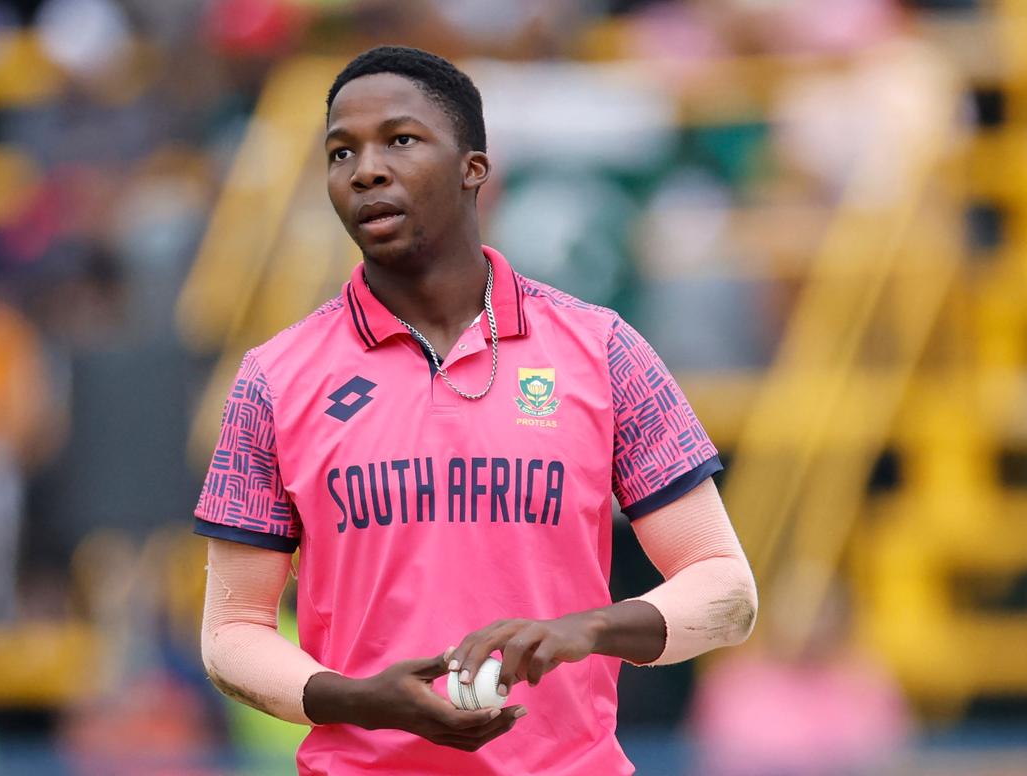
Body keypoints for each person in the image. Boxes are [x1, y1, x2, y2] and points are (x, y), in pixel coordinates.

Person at [194, 45, 757, 776]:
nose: (365, 169)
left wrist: (585, 631)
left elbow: (726, 589)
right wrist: (360, 699)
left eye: (400, 140)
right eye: (341, 152)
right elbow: (231, 631)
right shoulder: (273, 380)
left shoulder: (604, 351)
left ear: (473, 168)